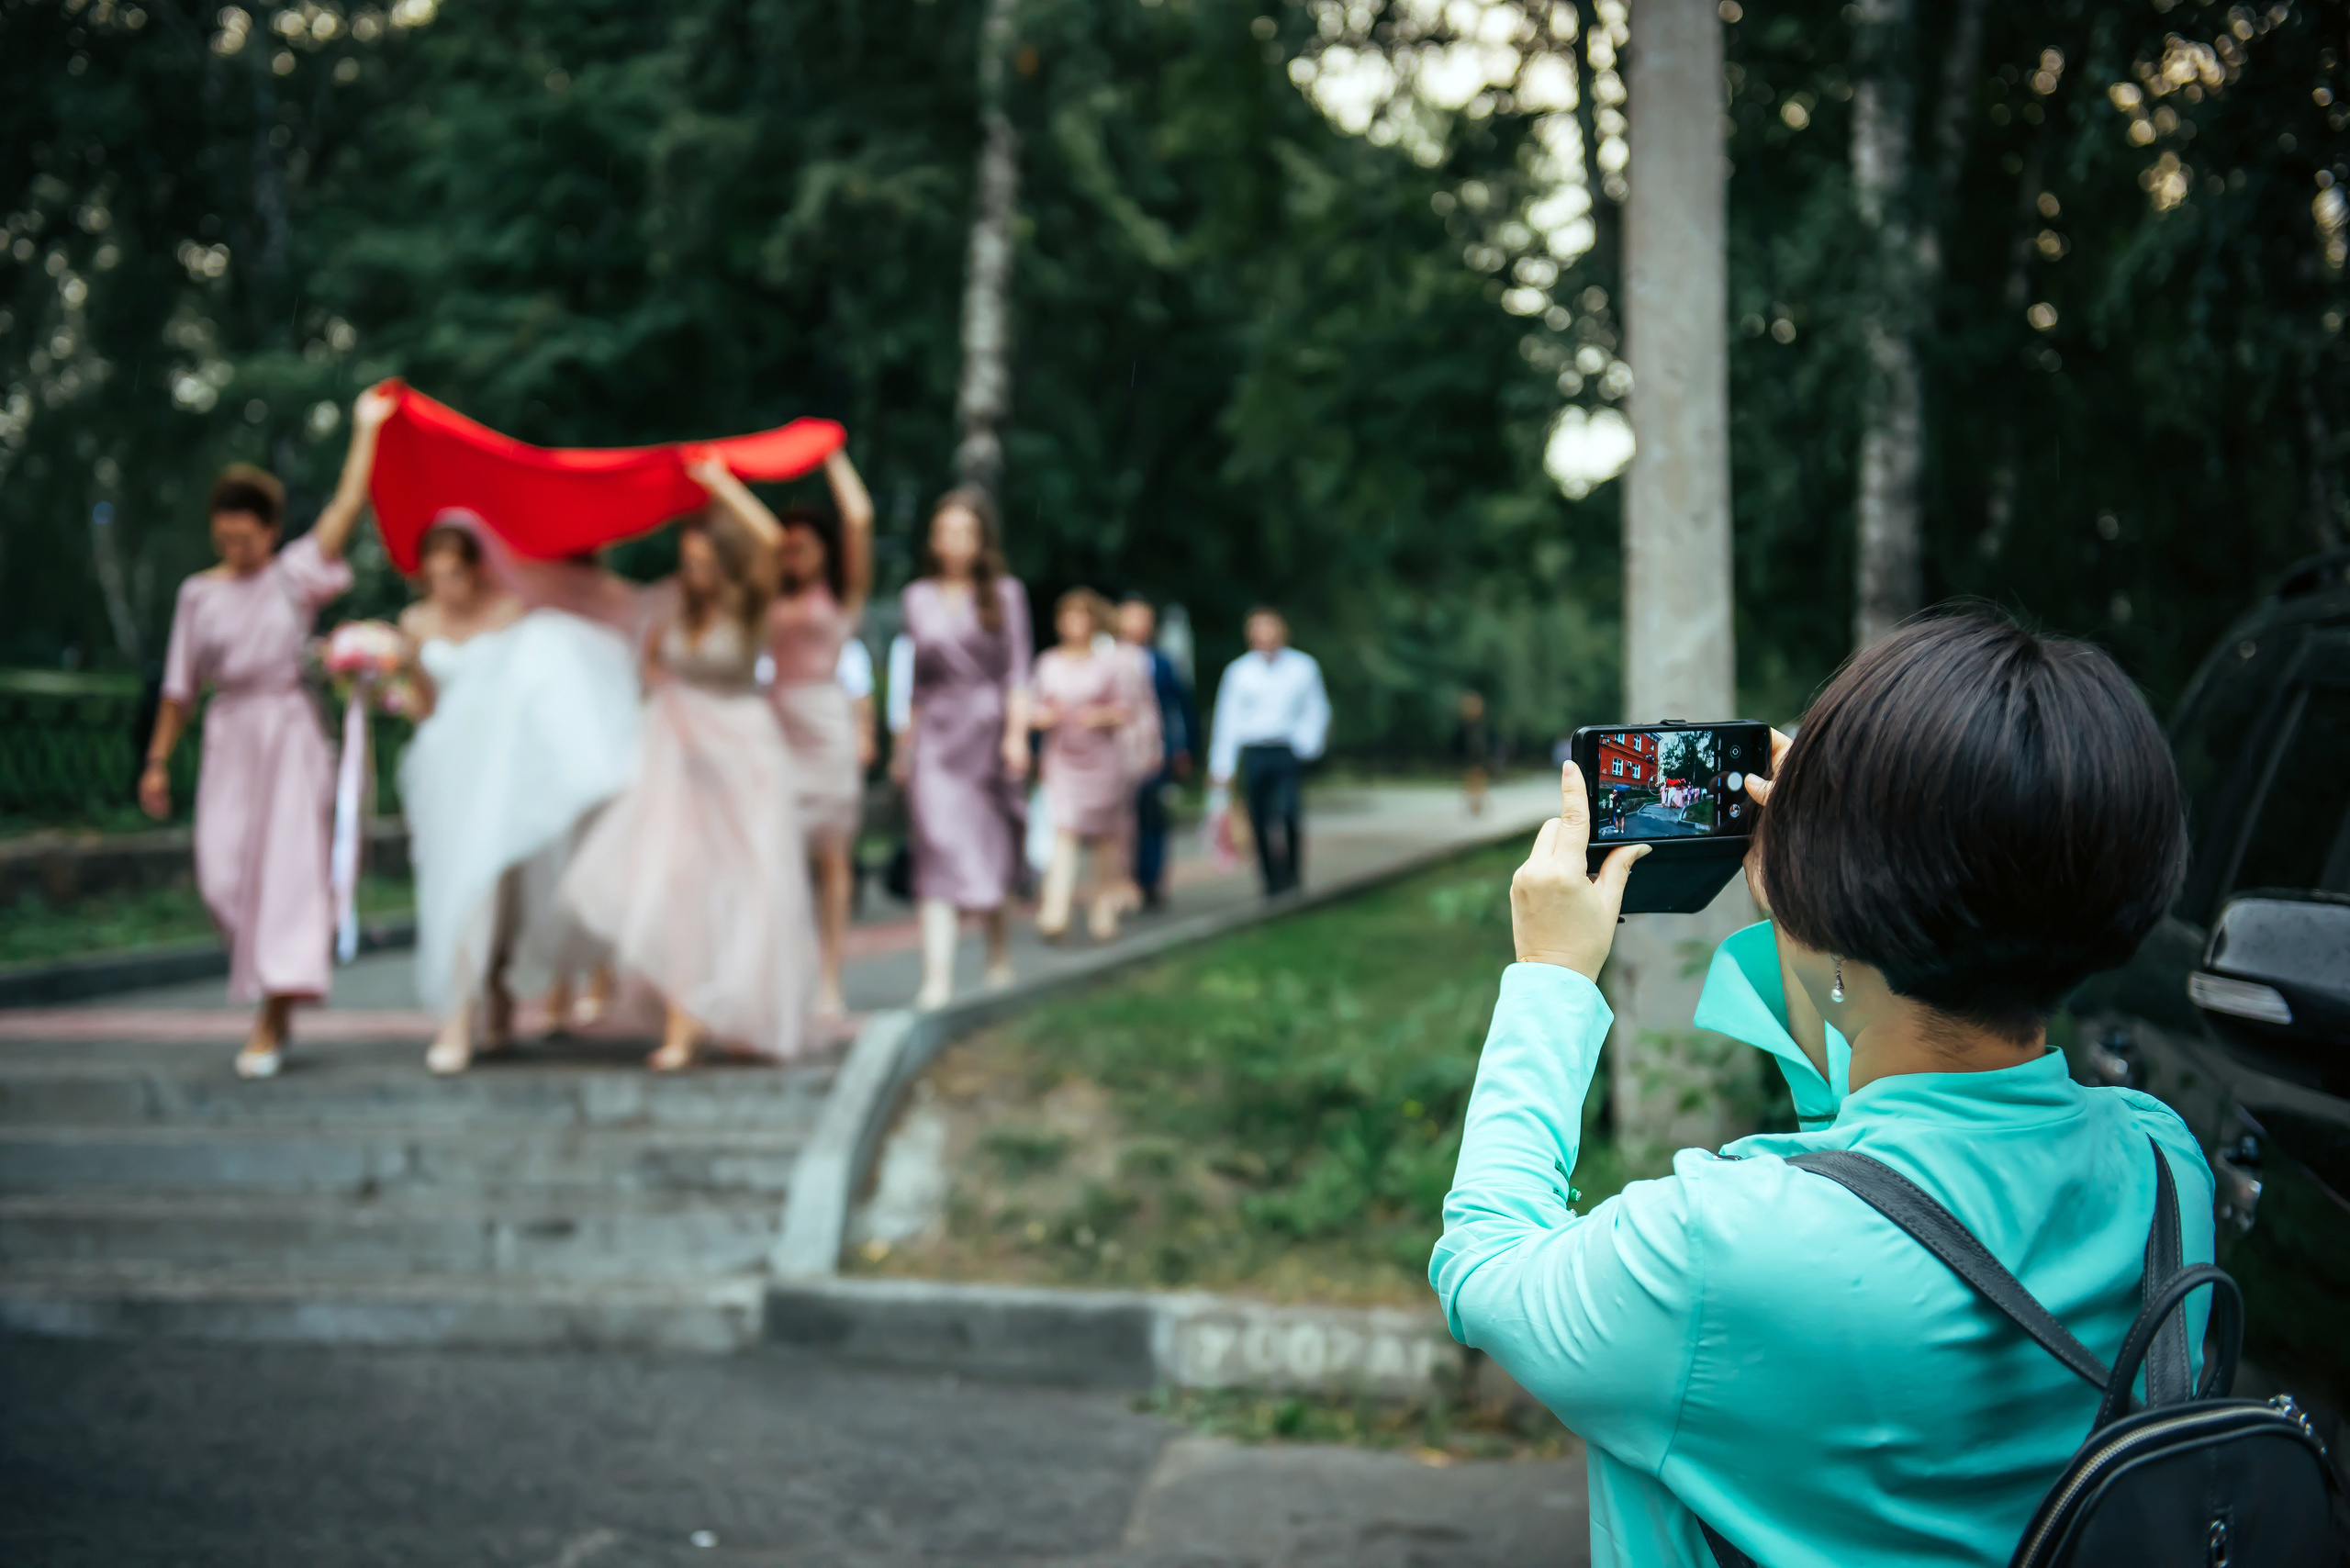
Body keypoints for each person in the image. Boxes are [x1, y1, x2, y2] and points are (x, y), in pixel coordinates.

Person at [1434, 612, 2210, 1568]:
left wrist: (1553, 976)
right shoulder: (2165, 1167)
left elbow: (1482, 1260)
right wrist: (1829, 900)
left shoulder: (1716, 1254)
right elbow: (1891, 1165)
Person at [140, 389, 392, 1079]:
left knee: (284, 874)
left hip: (288, 730)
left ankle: (272, 1013)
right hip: (230, 734)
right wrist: (158, 761)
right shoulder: (199, 594)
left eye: (245, 537)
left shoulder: (293, 576)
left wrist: (366, 428)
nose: (234, 548)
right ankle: (270, 993)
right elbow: (178, 686)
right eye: (223, 537)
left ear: (271, 530)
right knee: (220, 873)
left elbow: (346, 507)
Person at [559, 457, 815, 1070]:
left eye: (703, 563)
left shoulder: (749, 605)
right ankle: (681, 1025)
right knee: (676, 887)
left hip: (739, 758)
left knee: (745, 892)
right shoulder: (675, 609)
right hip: (675, 764)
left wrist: (721, 486)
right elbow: (649, 666)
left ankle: (739, 1013)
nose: (691, 572)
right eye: (688, 561)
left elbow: (772, 541)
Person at [395, 513, 642, 1075]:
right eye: (434, 572)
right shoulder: (415, 624)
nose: (444, 582)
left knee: (493, 882)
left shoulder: (511, 614)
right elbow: (424, 703)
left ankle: (490, 992)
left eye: (454, 570)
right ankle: (467, 1004)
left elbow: (539, 680)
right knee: (451, 885)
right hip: (445, 769)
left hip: (500, 767)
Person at [894, 488, 1032, 1008]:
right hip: (936, 732)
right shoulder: (917, 597)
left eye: (963, 532)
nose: (952, 542)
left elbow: (1018, 670)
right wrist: (904, 744)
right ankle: (938, 978)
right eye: (944, 531)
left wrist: (1017, 735)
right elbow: (916, 681)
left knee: (988, 842)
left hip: (987, 728)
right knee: (935, 842)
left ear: (980, 540)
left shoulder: (1005, 593)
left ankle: (998, 956)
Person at [762, 449, 876, 1021]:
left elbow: (859, 518)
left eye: (805, 544)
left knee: (833, 856)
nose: (793, 553)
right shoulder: (767, 591)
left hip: (827, 725)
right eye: (787, 545)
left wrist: (828, 454)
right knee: (777, 859)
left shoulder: (842, 597)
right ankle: (784, 972)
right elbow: (756, 531)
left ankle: (830, 977)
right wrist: (718, 480)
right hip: (774, 725)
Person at [1031, 588, 1158, 943]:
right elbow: (1033, 708)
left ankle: (1101, 911)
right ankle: (1054, 911)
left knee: (1104, 838)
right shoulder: (1048, 663)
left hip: (1101, 760)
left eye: (1081, 617)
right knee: (1065, 832)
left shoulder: (1111, 663)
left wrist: (1100, 716)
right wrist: (1044, 717)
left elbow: (1128, 708)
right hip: (1063, 758)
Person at [1205, 607, 1328, 897]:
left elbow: (1316, 710)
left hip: (1286, 750)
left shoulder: (1304, 667)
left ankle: (1293, 876)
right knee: (1258, 818)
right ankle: (1269, 881)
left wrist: (1307, 746)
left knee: (1288, 812)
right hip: (1255, 751)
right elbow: (1228, 720)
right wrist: (1222, 765)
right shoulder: (1238, 672)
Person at [1115, 593, 1196, 912]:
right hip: (1118, 753)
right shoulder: (1106, 657)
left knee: (1153, 817)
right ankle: (1126, 880)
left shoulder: (1163, 662)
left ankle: (1151, 881)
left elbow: (1180, 708)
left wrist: (1183, 748)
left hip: (1154, 752)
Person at [1452, 689, 1494, 816]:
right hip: (1470, 755)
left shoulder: (1482, 726)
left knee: (1479, 777)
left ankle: (1478, 804)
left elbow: (1489, 740)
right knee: (1472, 777)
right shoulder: (1464, 726)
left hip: (1480, 755)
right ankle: (1473, 804)